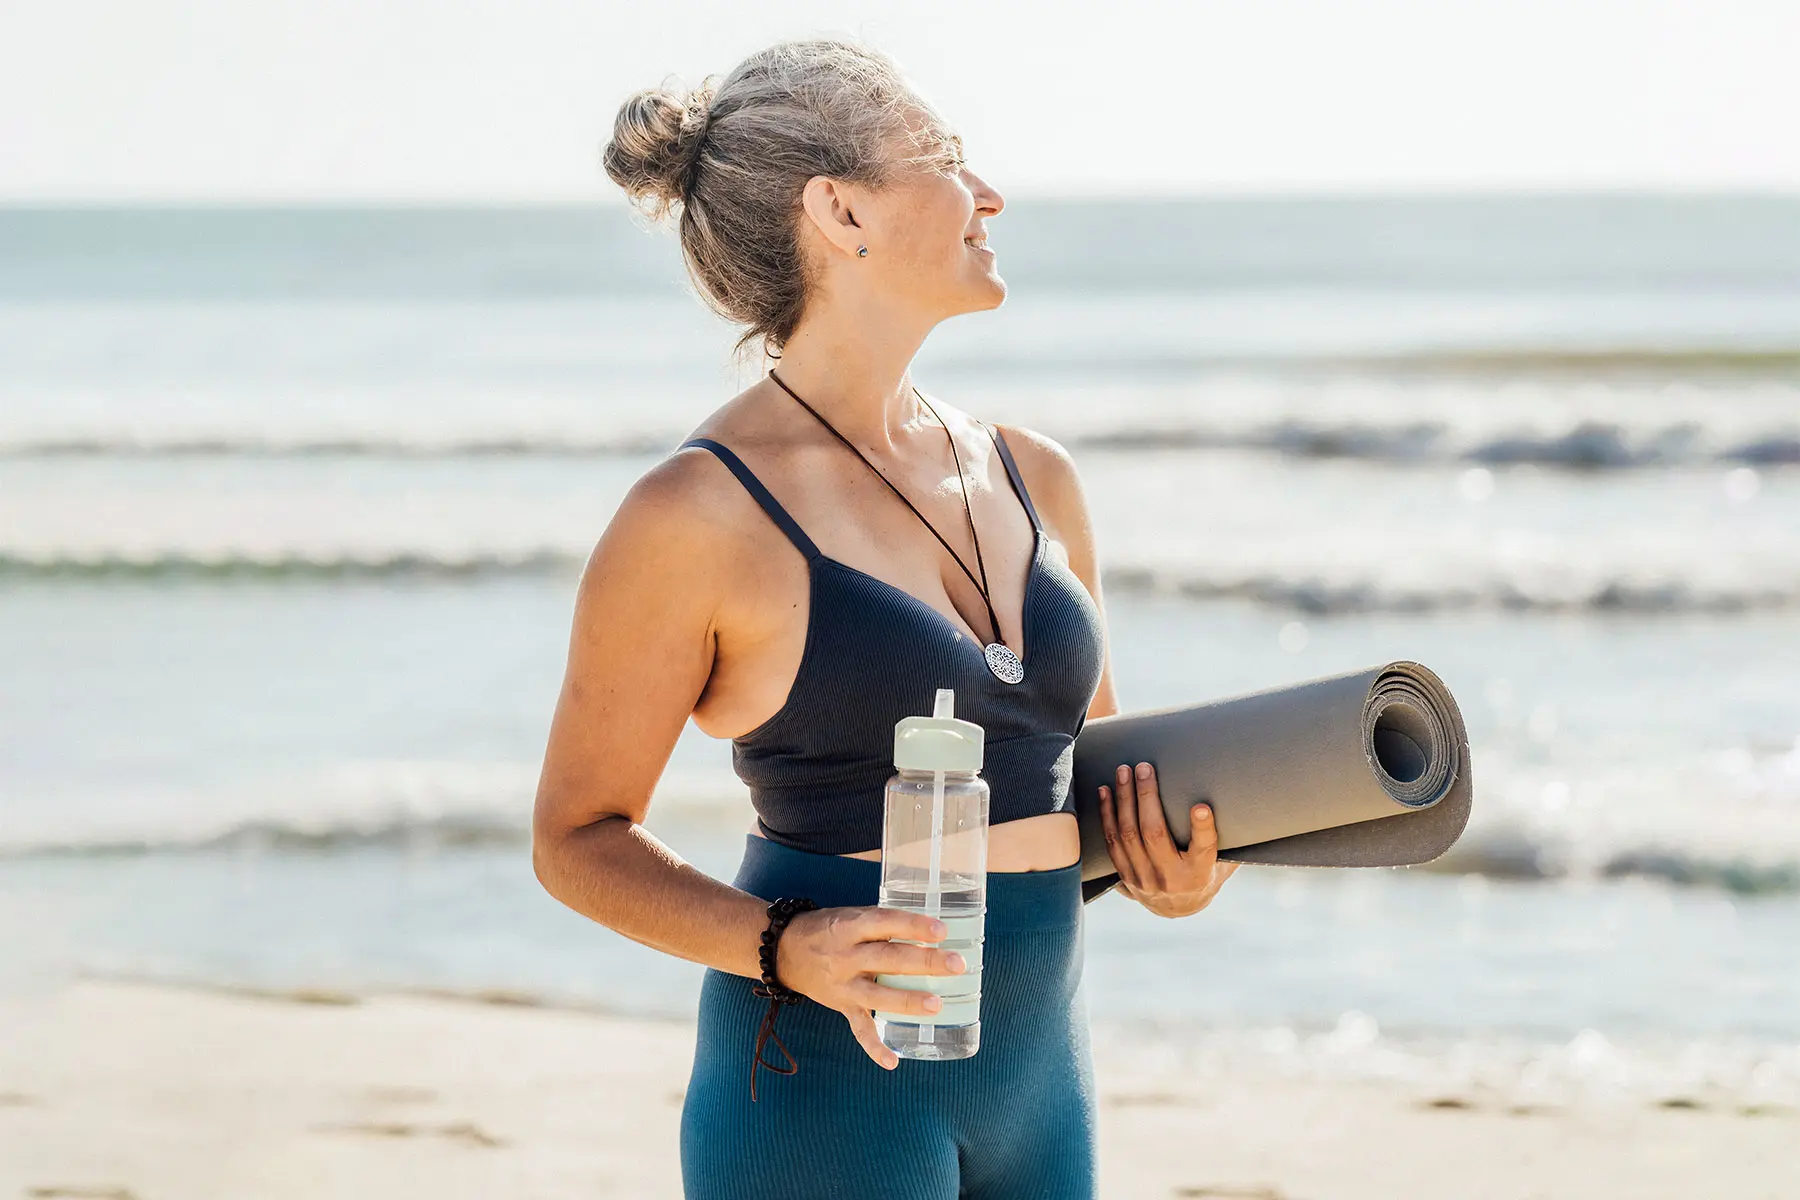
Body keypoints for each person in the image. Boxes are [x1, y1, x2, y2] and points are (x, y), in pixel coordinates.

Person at [533, 35, 1237, 1200]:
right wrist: (784, 945)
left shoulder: (1034, 475)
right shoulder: (696, 514)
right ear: (841, 210)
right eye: (947, 157)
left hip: (1040, 1087)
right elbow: (577, 837)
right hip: (819, 1100)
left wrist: (1173, 868)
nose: (990, 193)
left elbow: (1085, 784)